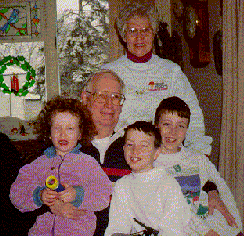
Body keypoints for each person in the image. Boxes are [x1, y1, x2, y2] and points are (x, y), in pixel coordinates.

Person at [102, 1, 212, 155]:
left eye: (145, 30)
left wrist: (197, 153)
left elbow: (192, 115)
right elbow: (97, 120)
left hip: (164, 153)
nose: (139, 37)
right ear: (123, 35)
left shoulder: (171, 71)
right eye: (132, 31)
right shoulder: (108, 73)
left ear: (153, 34)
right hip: (121, 153)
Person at [10, 96, 112, 236]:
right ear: (49, 133)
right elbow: (16, 193)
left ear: (80, 134)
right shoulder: (38, 164)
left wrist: (78, 194)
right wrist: (39, 195)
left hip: (77, 231)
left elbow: (104, 194)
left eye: (70, 128)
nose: (63, 133)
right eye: (57, 128)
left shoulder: (88, 163)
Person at [153, 96, 243, 236]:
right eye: (167, 124)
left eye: (181, 126)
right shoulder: (150, 163)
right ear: (156, 125)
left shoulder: (198, 159)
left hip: (209, 223)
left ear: (187, 129)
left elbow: (223, 191)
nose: (173, 131)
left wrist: (236, 227)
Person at [105, 121, 191, 236]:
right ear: (124, 149)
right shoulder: (122, 185)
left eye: (144, 145)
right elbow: (117, 227)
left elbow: (173, 230)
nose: (135, 151)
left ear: (156, 152)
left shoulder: (167, 185)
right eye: (130, 144)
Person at [80, 69, 131, 235]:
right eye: (101, 95)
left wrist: (211, 188)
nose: (109, 105)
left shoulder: (134, 146)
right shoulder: (66, 146)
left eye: (116, 97)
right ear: (85, 98)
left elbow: (174, 163)